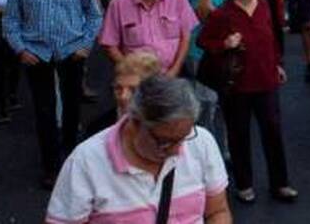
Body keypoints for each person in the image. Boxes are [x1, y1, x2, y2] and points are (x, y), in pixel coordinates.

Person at [45, 75, 231, 224]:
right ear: (135, 122)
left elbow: (217, 211)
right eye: (165, 142)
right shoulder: (86, 161)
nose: (177, 151)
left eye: (183, 138)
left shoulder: (201, 141)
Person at [3, 0, 102, 188]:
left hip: (71, 50)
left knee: (71, 109)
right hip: (37, 53)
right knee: (44, 111)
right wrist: (20, 49)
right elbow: (11, 19)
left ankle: (71, 160)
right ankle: (51, 166)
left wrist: (85, 45)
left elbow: (93, 14)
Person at [197, 0, 297, 203]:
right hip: (237, 84)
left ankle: (280, 183)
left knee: (273, 131)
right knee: (239, 134)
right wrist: (225, 44)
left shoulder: (263, 5)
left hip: (266, 79)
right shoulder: (224, 14)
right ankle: (244, 184)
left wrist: (277, 63)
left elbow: (271, 37)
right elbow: (203, 40)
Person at [99, 0, 198, 78]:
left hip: (173, 76)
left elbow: (186, 35)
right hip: (135, 79)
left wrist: (175, 69)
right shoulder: (119, 2)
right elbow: (109, 44)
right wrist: (131, 72)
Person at [83, 50, 163, 137]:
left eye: (133, 90)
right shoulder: (96, 129)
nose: (123, 97)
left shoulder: (169, 128)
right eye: (118, 88)